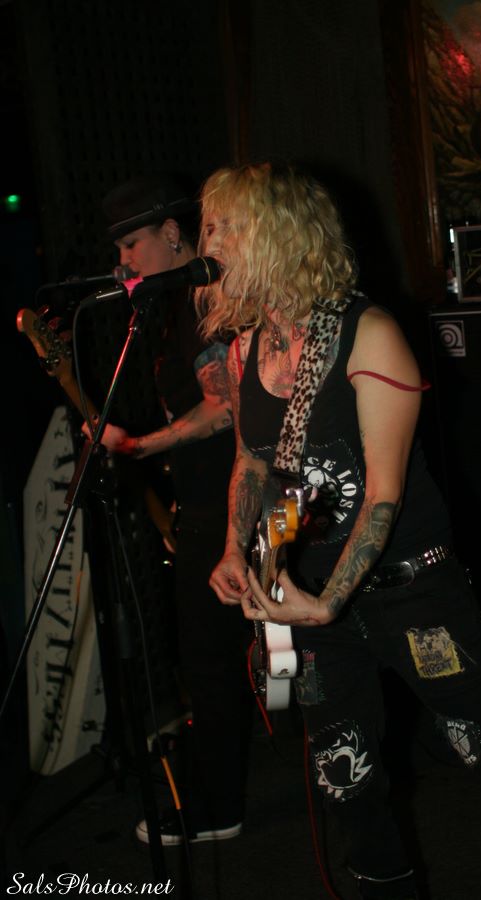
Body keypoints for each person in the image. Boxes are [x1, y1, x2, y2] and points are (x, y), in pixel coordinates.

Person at [202, 162, 481, 899]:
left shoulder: (368, 332)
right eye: (207, 226)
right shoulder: (246, 348)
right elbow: (252, 463)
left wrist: (329, 600)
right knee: (345, 779)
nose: (208, 243)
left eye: (225, 225)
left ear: (279, 234)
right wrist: (233, 549)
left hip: (410, 590)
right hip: (310, 601)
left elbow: (383, 494)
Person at [95, 173, 251, 846]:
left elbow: (226, 408)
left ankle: (217, 810)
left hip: (227, 510)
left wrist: (140, 444)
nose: (123, 261)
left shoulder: (201, 302)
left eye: (132, 244)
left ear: (171, 233)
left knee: (211, 663)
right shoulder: (167, 308)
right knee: (209, 661)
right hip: (204, 505)